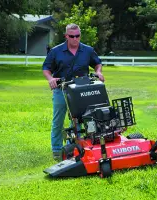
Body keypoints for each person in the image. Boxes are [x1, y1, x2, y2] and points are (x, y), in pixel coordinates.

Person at [42, 23, 104, 161]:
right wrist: (50, 79)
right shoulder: (56, 51)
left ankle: (74, 148)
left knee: (79, 120)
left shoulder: (87, 50)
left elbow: (97, 63)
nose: (75, 39)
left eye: (77, 36)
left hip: (80, 90)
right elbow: (46, 68)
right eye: (72, 36)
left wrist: (98, 72)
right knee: (58, 121)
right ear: (66, 36)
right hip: (61, 90)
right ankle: (57, 151)